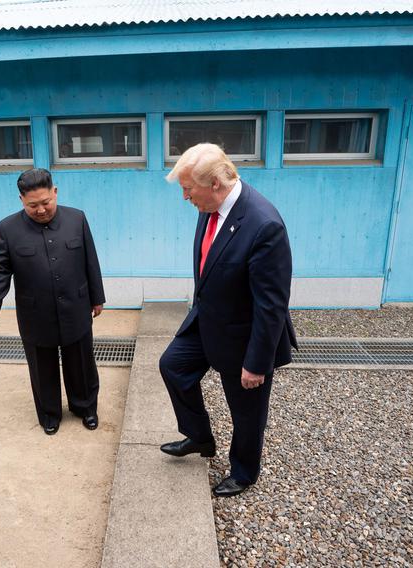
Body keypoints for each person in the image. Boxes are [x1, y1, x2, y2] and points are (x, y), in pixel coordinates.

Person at [158, 143, 298, 497]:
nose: (185, 197)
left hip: (243, 333)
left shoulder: (264, 225)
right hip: (207, 318)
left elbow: (272, 305)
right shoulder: (210, 206)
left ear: (216, 183)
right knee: (172, 365)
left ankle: (244, 471)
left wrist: (257, 362)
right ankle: (201, 437)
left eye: (188, 189)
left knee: (246, 409)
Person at [0, 168, 105, 435]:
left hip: (76, 305)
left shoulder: (77, 218)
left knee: (81, 362)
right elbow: (0, 269)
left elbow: (90, 261)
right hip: (35, 312)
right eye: (32, 205)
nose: (41, 210)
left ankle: (85, 407)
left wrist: (97, 297)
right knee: (42, 365)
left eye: (46, 202)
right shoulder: (7, 228)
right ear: (21, 200)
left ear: (55, 192)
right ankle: (49, 414)